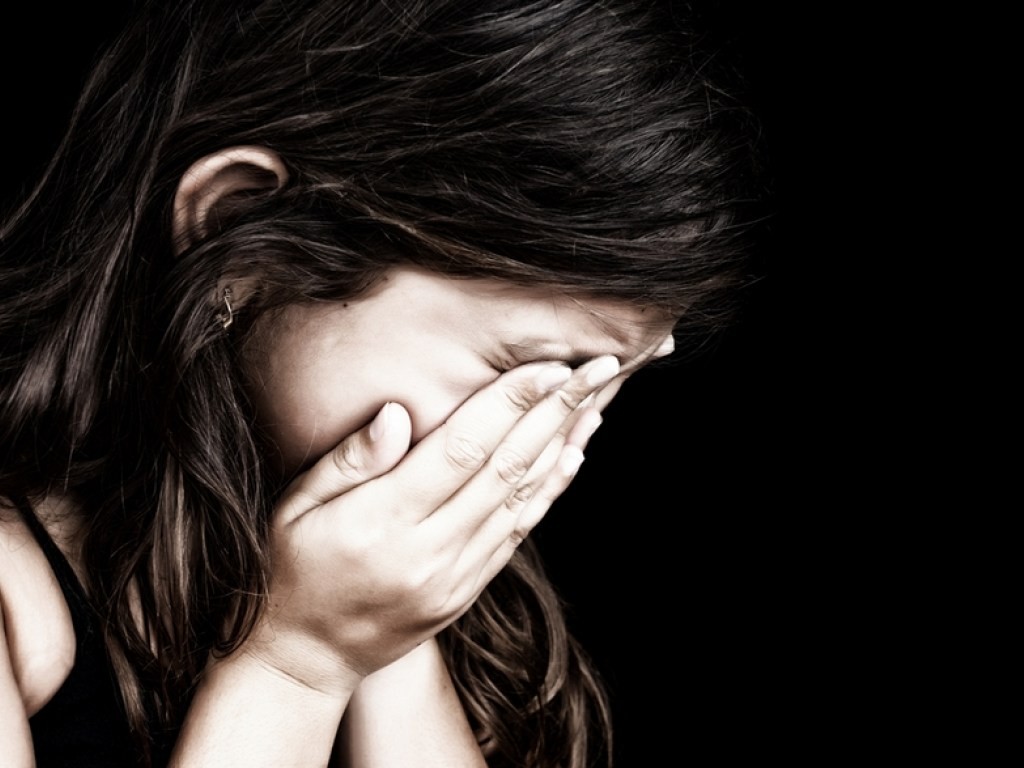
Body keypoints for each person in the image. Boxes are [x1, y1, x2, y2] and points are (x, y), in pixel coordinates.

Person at [0, 1, 762, 765]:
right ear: (239, 233)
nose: (543, 438)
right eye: (527, 372)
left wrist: (386, 635)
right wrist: (300, 665)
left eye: (603, 385)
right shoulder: (14, 597)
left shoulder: (430, 609)